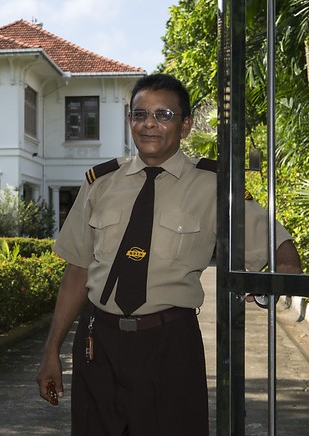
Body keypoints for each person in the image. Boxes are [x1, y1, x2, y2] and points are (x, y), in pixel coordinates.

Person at [36, 73, 303, 435]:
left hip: (169, 346)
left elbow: (274, 240)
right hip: (98, 343)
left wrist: (284, 265)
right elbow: (78, 271)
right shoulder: (100, 183)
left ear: (186, 125)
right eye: (139, 113)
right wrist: (52, 349)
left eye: (163, 115)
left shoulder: (213, 184)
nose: (149, 123)